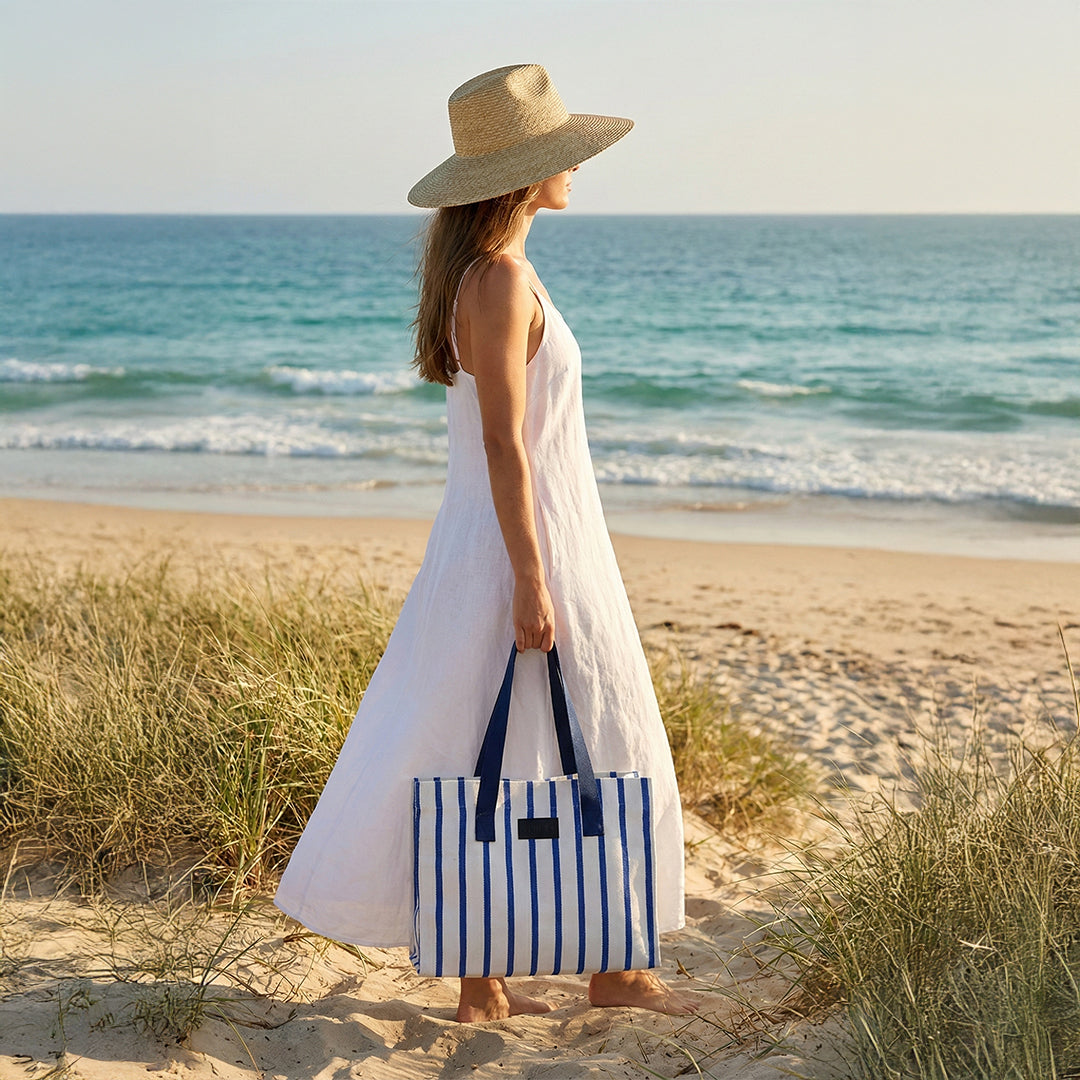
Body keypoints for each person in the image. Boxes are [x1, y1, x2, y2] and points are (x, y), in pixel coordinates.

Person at [274, 63, 698, 1023]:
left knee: (487, 741)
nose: (576, 168)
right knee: (594, 731)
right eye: (563, 155)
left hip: (493, 545)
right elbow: (508, 442)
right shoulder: (501, 279)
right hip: (527, 543)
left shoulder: (490, 271)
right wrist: (534, 577)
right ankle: (607, 973)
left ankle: (497, 981)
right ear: (523, 176)